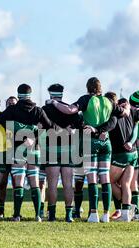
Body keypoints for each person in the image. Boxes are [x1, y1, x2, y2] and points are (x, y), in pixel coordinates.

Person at [49, 78, 128, 223]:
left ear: (87, 87)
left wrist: (54, 102)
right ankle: (106, 214)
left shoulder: (86, 99)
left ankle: (93, 214)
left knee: (92, 178)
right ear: (100, 88)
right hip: (106, 143)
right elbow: (124, 113)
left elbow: (70, 110)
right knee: (104, 178)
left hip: (90, 142)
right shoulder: (108, 101)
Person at [0, 84, 56, 222]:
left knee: (19, 182)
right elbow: (50, 127)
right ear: (30, 94)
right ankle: (38, 215)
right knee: (34, 183)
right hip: (34, 149)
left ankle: (16, 215)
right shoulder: (38, 111)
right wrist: (34, 136)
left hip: (17, 150)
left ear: (18, 94)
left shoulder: (12, 110)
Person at [98, 92, 139, 222]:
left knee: (107, 181)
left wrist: (101, 130)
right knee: (126, 184)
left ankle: (126, 208)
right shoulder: (132, 112)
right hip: (133, 154)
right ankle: (127, 214)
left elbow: (111, 125)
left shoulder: (114, 113)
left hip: (120, 154)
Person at [43, 84, 83, 222]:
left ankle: (52, 215)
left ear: (50, 94)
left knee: (52, 184)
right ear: (62, 94)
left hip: (51, 149)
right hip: (68, 149)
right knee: (67, 183)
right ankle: (68, 215)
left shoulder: (45, 109)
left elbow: (40, 129)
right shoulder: (70, 109)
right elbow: (79, 127)